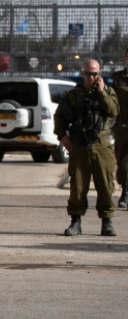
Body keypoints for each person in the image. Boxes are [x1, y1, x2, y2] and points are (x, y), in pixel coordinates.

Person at [54, 59, 119, 237]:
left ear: (99, 74)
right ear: (82, 73)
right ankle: (76, 221)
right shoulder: (73, 95)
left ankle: (107, 221)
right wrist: (63, 137)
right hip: (80, 146)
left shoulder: (107, 92)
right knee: (78, 185)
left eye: (95, 74)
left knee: (106, 184)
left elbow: (114, 111)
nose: (91, 77)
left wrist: (102, 93)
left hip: (101, 145)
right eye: (88, 74)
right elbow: (60, 117)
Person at [108, 48, 128, 209]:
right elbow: (109, 101)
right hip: (122, 125)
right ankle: (125, 191)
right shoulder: (116, 79)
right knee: (122, 159)